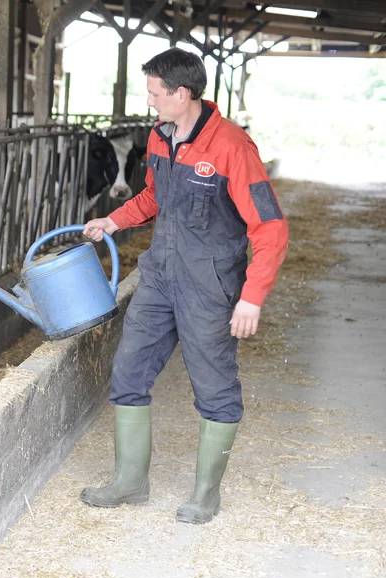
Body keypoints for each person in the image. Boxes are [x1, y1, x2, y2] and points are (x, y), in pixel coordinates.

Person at [80, 48, 289, 524]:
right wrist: (114, 220)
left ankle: (205, 494)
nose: (149, 101)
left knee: (213, 386)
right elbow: (155, 196)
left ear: (183, 93)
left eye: (156, 93)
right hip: (159, 276)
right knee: (128, 370)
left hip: (209, 284)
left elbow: (270, 227)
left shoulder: (232, 147)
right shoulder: (159, 137)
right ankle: (130, 482)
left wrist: (252, 296)